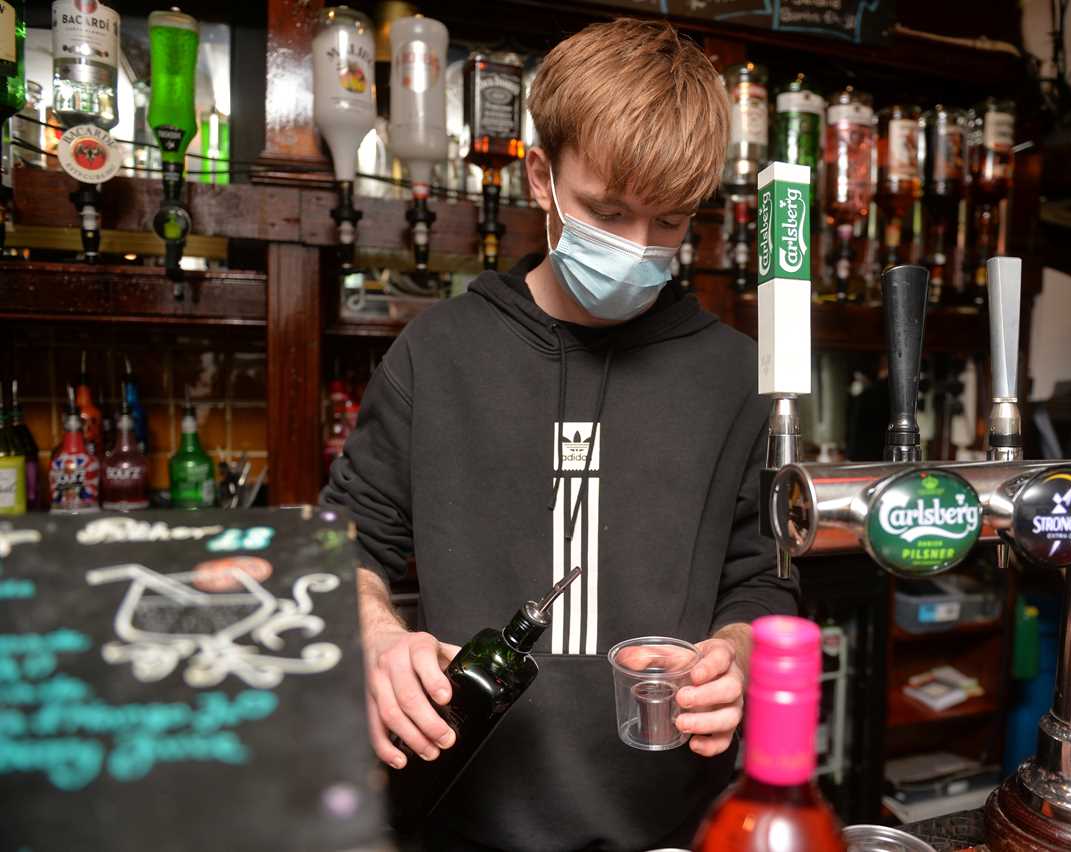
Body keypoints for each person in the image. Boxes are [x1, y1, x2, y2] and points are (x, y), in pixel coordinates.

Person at [321, 18, 799, 851]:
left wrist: (736, 658)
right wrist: (377, 638)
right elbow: (342, 541)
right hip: (456, 818)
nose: (637, 249)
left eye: (670, 225)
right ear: (540, 176)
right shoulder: (437, 355)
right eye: (608, 212)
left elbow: (763, 581)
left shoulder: (737, 378)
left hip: (672, 827)